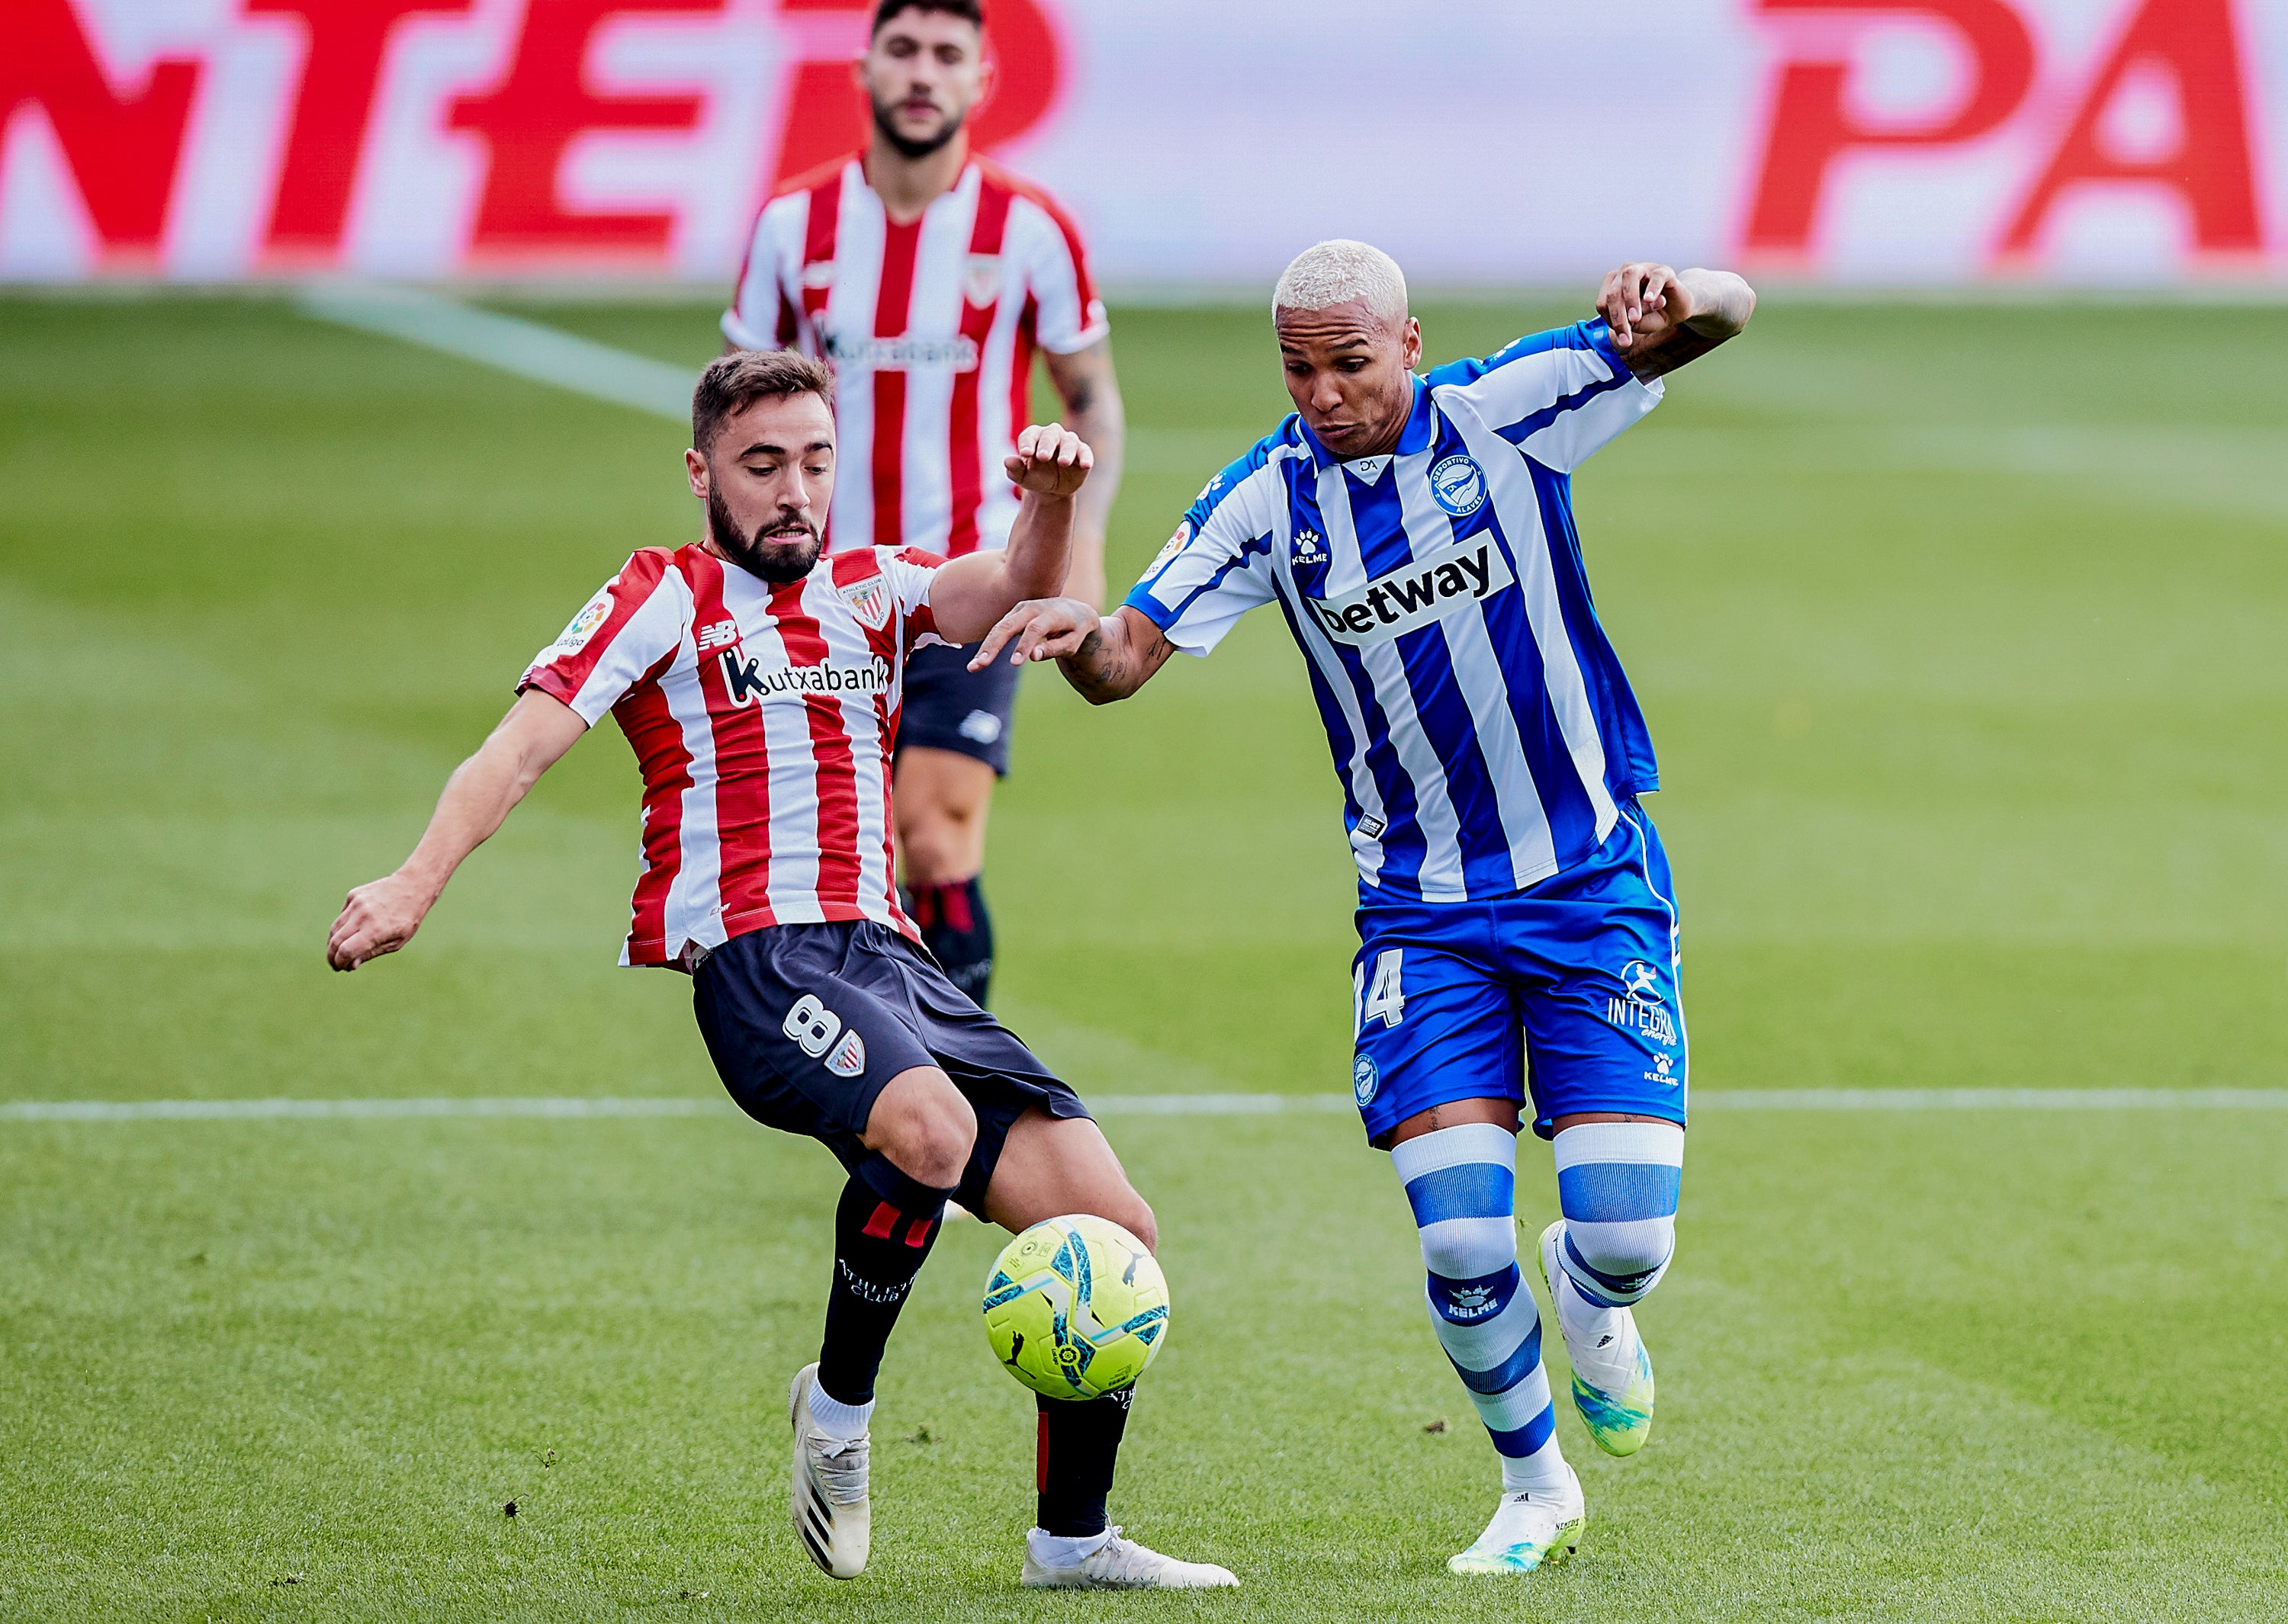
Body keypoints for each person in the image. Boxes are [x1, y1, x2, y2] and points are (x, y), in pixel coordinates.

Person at [323, 351, 1231, 1592]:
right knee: (928, 1124)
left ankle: (1071, 1540)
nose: (794, 489)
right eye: (762, 466)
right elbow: (518, 747)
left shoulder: (875, 585)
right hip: (758, 956)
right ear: (702, 474)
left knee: (1114, 1228)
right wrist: (415, 880)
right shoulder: (664, 595)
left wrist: (1054, 497)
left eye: (814, 462)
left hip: (890, 958)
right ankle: (840, 1415)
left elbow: (1010, 585)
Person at [966, 243, 1756, 1575]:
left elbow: (1724, 315)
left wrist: (1689, 293)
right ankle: (1533, 1484)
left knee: (1628, 1229)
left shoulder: (1508, 409)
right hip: (1421, 913)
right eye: (1299, 368)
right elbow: (1125, 662)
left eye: (1350, 363)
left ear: (1408, 341)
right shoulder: (1263, 502)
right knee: (1456, 1230)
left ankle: (1588, 1286)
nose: (1324, 394)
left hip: (1588, 877)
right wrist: (1071, 620)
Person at [721, 0, 1126, 1009]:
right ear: (863, 69)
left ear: (982, 82)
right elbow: (738, 410)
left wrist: (1081, 558)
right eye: (903, 49)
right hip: (822, 595)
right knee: (839, 863)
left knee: (935, 837)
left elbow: (1094, 404)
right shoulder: (791, 227)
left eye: (948, 55)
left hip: (970, 577)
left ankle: (965, 1105)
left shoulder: (1028, 231)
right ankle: (890, 1103)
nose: (922, 72)